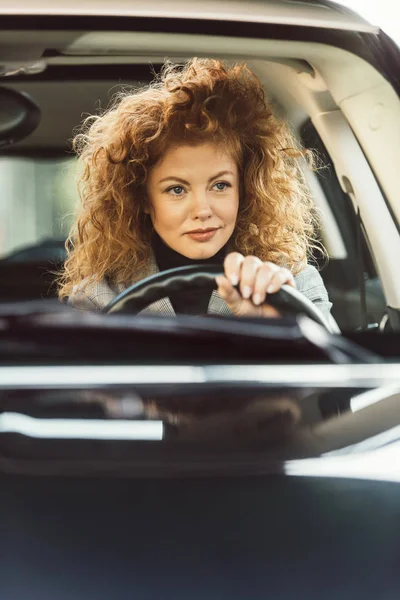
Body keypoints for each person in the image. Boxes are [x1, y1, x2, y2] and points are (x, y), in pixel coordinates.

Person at [59, 58, 332, 320]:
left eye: (220, 185)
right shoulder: (100, 297)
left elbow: (335, 365)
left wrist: (276, 326)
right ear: (141, 198)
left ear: (245, 189)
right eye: (176, 190)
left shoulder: (290, 284)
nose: (202, 210)